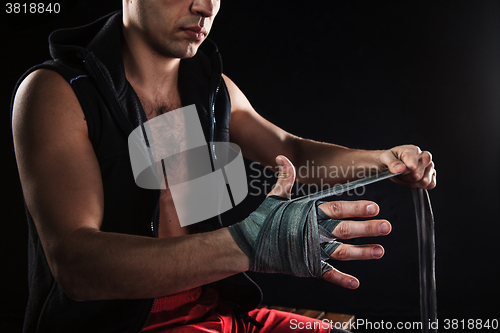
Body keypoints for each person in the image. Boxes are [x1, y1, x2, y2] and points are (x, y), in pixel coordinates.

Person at [11, 0, 436, 332]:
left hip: (221, 315)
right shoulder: (58, 92)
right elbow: (76, 265)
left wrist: (383, 161)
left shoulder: (209, 91)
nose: (205, 7)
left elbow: (293, 152)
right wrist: (249, 244)